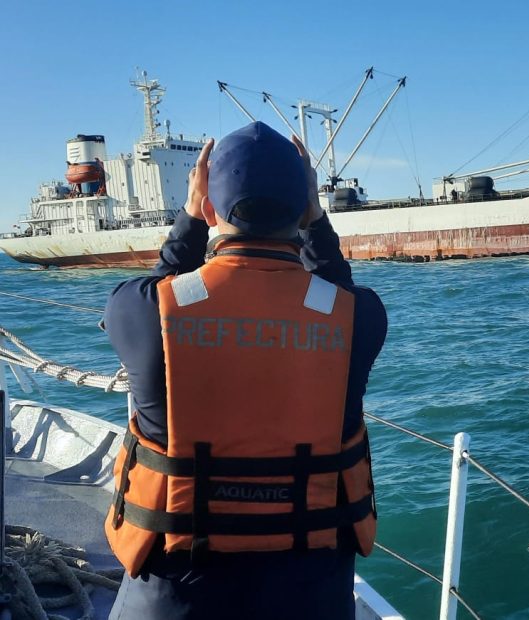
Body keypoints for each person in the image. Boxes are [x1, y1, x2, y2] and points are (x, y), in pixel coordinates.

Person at [102, 121, 387, 619]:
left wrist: (190, 222)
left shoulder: (142, 310)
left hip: (175, 592)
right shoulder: (360, 317)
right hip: (311, 592)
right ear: (304, 207)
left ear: (209, 207)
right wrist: (317, 223)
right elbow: (337, 291)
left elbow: (162, 287)